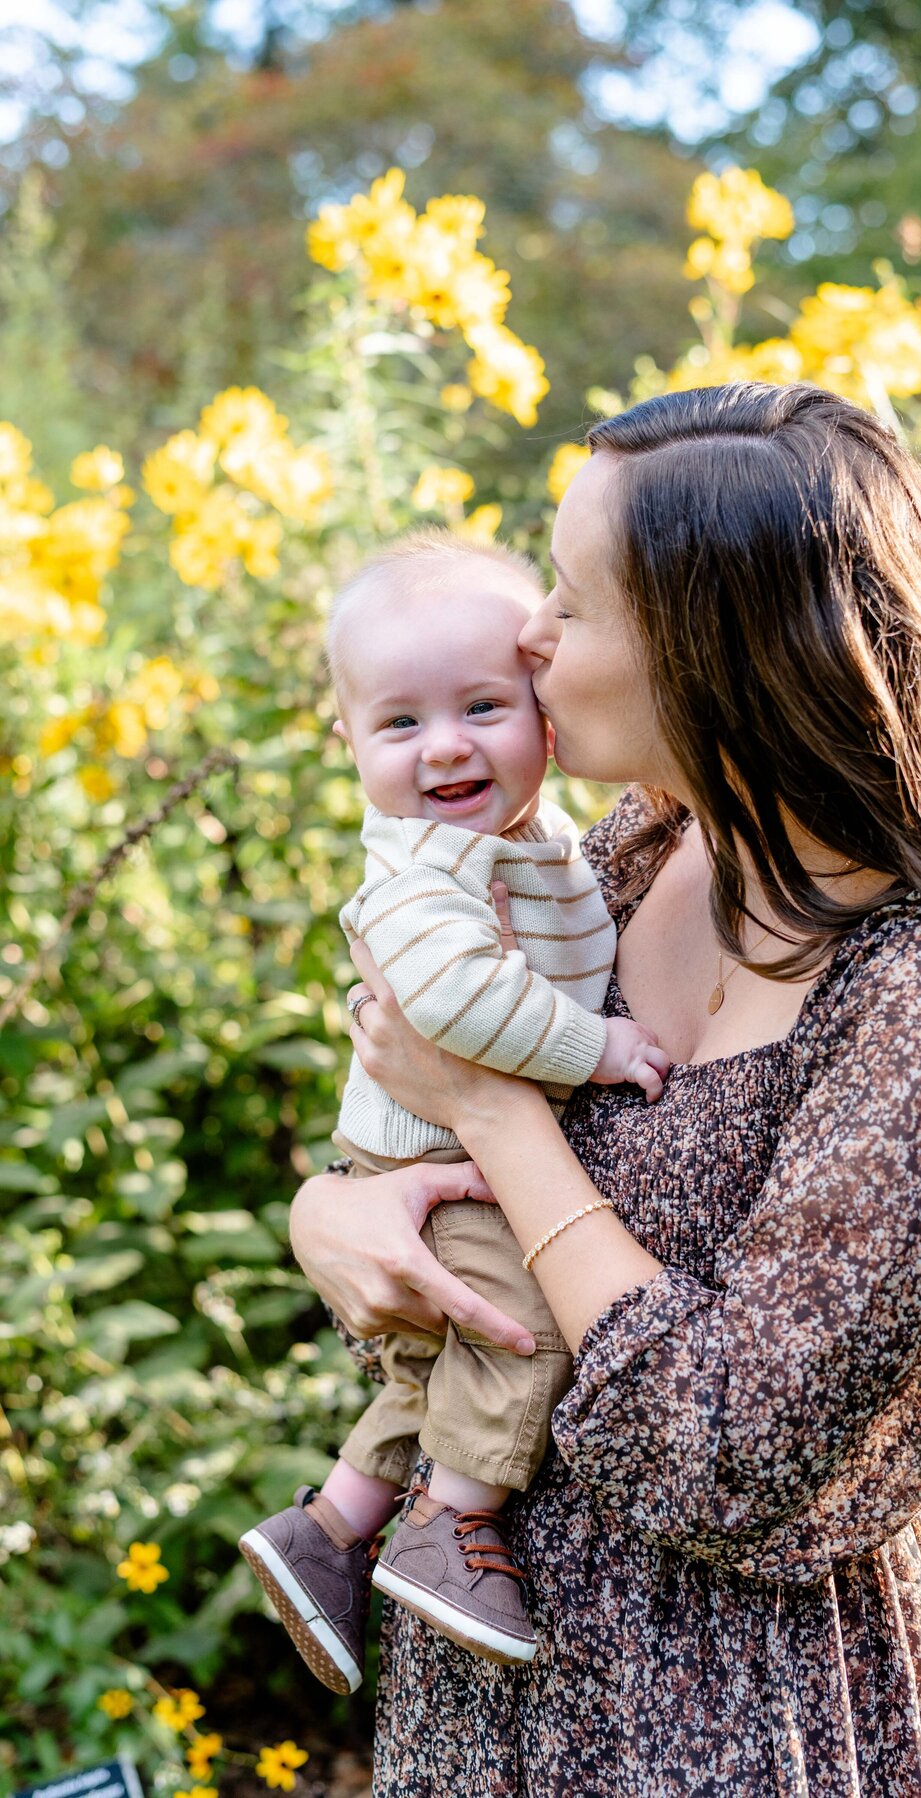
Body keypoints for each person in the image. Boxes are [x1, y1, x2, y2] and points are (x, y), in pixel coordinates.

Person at [289, 383, 921, 1797]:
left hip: (733, 1713)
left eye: (572, 603)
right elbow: (444, 1206)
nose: (528, 636)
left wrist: (500, 1119)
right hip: (482, 1675)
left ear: (715, 651)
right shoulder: (644, 847)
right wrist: (329, 1216)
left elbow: (734, 1454)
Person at [239, 529, 669, 1694]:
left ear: (543, 711)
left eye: (483, 706)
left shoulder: (537, 840)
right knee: (519, 1326)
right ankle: (450, 1524)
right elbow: (454, 1004)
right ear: (348, 742)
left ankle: (330, 1528)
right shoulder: (428, 870)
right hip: (434, 1151)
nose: (444, 746)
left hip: (439, 1143)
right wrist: (595, 1047)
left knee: (432, 1368)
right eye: (399, 722)